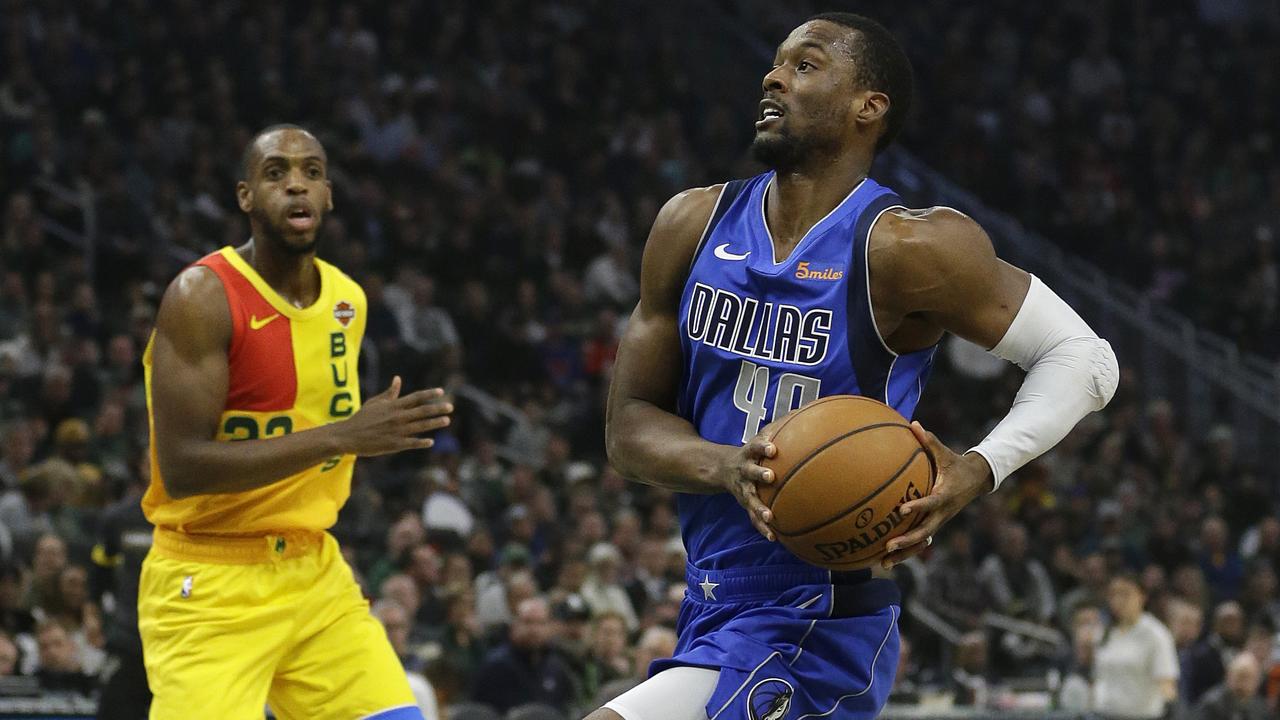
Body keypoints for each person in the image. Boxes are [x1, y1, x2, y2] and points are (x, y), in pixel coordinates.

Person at [598, 12, 1118, 720]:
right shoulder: (690, 225)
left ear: (868, 108)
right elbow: (628, 428)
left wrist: (978, 466)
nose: (773, 76)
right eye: (776, 63)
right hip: (712, 596)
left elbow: (1085, 358)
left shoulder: (909, 249)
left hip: (821, 613)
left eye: (806, 65)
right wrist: (724, 465)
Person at [138, 124, 454, 720]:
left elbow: (315, 443)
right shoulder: (200, 297)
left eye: (311, 171)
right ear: (246, 197)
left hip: (312, 570)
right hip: (208, 579)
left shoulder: (347, 301)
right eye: (276, 173)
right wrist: (344, 436)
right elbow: (181, 469)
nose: (296, 186)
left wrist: (358, 439)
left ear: (329, 194)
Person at [1092, 574, 1179, 719]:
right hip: (1102, 714)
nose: (1118, 600)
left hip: (1141, 716)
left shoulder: (1156, 634)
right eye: (1113, 594)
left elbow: (1167, 683)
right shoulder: (1103, 633)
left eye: (1125, 594)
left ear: (1142, 596)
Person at [1192, 653, 1269, 720]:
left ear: (1257, 682)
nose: (1243, 684)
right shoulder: (1211, 704)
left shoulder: (1260, 708)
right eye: (1240, 677)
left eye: (1249, 678)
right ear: (1228, 676)